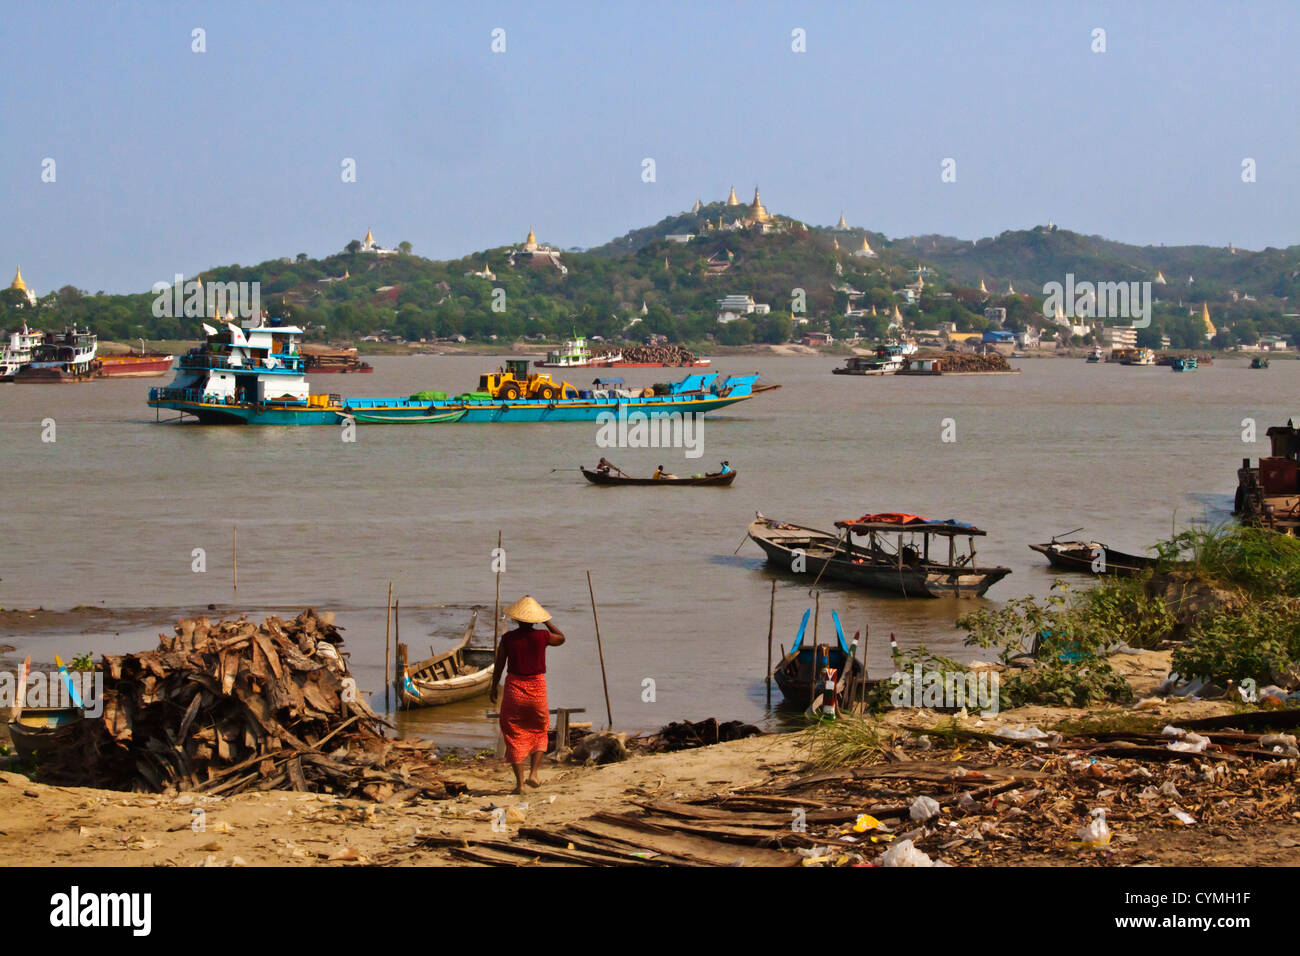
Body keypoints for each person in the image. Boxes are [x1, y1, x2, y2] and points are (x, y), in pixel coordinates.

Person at [490, 596, 566, 794]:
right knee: (540, 730)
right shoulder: (542, 636)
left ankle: (520, 784)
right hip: (537, 689)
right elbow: (561, 638)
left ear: (516, 619)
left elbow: (499, 665)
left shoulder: (508, 639)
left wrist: (492, 688)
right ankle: (534, 774)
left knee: (513, 732)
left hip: (514, 688)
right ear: (535, 620)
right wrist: (546, 620)